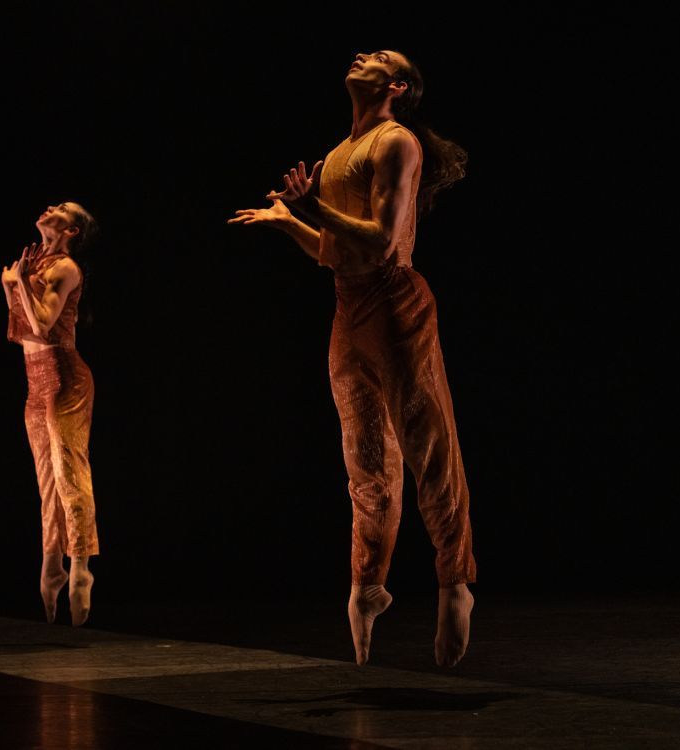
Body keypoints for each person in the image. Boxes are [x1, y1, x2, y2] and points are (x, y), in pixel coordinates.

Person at [229, 50, 476, 667]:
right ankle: (367, 585)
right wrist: (290, 222)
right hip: (349, 311)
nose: (362, 54)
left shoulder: (397, 143)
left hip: (396, 307)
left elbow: (383, 241)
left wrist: (311, 210)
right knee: (365, 462)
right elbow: (336, 252)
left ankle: (454, 583)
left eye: (380, 56)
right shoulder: (340, 151)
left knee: (428, 450)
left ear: (397, 85)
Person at [2, 201, 99, 627]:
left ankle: (80, 567)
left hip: (64, 377)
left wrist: (20, 282)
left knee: (69, 472)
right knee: (46, 479)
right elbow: (19, 331)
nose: (49, 207)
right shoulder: (32, 263)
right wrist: (13, 285)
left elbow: (43, 325)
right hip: (34, 380)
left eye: (62, 208)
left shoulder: (67, 268)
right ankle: (51, 563)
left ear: (72, 230)